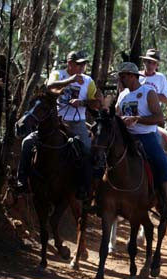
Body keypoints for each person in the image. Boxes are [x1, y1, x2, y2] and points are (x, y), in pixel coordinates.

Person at [16, 51, 101, 209]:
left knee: (88, 151)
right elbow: (50, 86)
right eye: (78, 64)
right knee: (27, 143)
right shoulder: (58, 74)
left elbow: (97, 102)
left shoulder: (88, 81)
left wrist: (82, 102)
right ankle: (22, 181)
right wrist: (71, 80)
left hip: (77, 123)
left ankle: (84, 189)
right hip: (55, 122)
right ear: (69, 63)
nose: (82, 67)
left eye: (84, 64)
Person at [115, 62, 167, 218]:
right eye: (120, 77)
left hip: (145, 136)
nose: (120, 80)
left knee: (161, 161)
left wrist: (137, 119)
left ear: (132, 76)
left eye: (123, 77)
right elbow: (116, 115)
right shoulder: (122, 95)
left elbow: (159, 118)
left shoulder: (148, 92)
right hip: (125, 136)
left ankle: (166, 201)